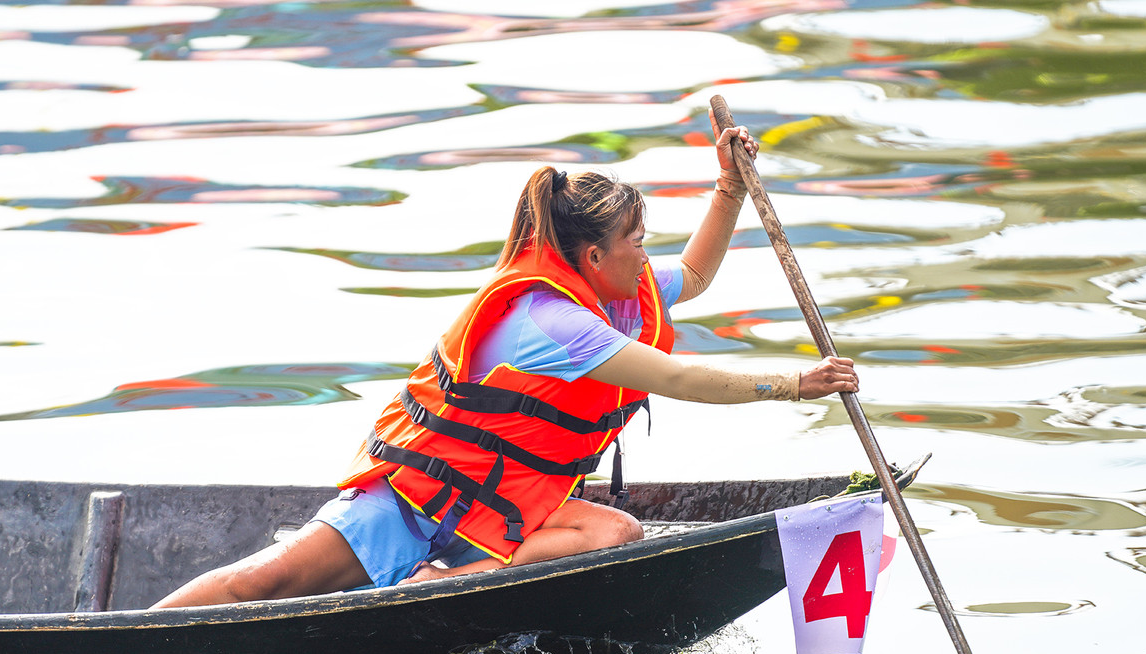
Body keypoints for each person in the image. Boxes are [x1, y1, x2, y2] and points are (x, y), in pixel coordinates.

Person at [152, 116, 857, 609]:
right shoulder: (546, 320)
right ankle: (138, 635)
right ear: (591, 256)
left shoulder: (624, 288)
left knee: (613, 533)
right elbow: (678, 378)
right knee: (266, 586)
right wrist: (795, 383)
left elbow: (697, 277)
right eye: (637, 240)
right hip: (415, 498)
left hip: (498, 514)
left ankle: (428, 589)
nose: (647, 252)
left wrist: (729, 187)